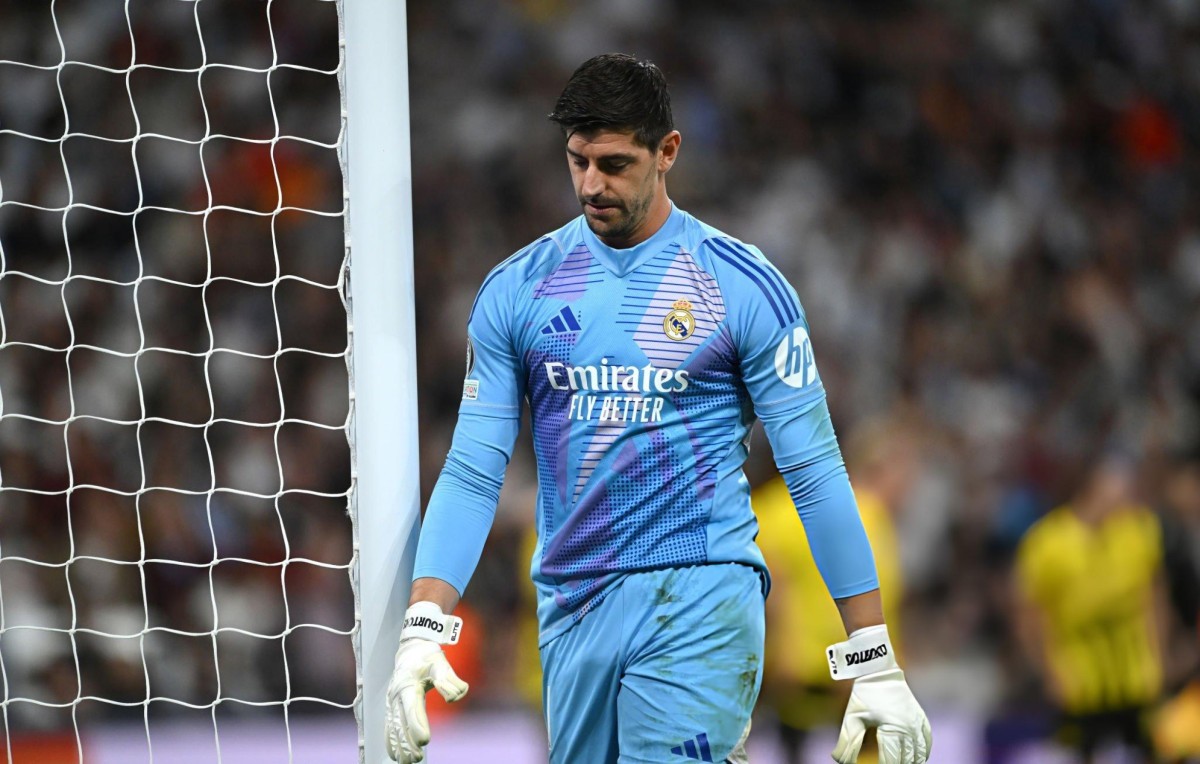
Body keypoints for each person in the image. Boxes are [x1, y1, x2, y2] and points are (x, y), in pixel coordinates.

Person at [384, 53, 931, 764]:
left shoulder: (741, 287)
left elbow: (815, 469)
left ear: (667, 151)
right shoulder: (518, 290)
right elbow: (473, 467)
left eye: (614, 164)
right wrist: (425, 621)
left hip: (700, 594)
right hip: (571, 607)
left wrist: (871, 653)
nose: (591, 184)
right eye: (578, 161)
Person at [754, 419, 913, 764]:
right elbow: (873, 597)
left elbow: (767, 595)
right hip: (846, 667)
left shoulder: (764, 510)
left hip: (790, 668)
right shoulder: (863, 513)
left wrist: (777, 652)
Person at [1015, 454, 1166, 763]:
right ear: (1091, 489)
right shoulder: (1048, 541)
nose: (1124, 500)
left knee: (1150, 750)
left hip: (1135, 674)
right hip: (1079, 679)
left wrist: (1159, 654)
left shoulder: (1139, 530)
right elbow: (1029, 617)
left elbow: (1154, 599)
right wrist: (1046, 672)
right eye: (1116, 490)